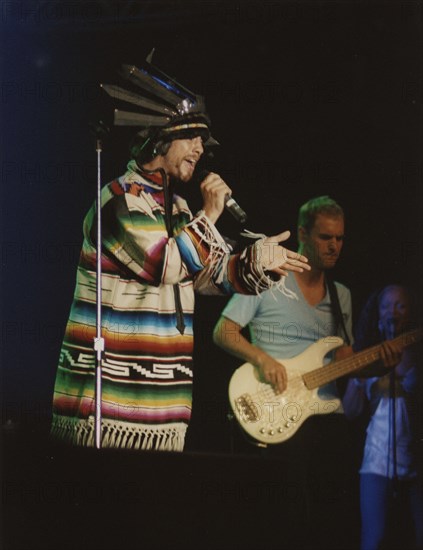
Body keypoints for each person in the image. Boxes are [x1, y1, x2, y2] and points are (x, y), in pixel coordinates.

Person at [50, 57, 310, 453]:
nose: (200, 149)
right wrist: (209, 214)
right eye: (192, 137)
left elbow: (208, 275)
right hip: (108, 407)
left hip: (162, 409)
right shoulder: (118, 202)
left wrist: (257, 261)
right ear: (160, 140)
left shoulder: (180, 212)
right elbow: (165, 264)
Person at [342, 284, 423, 550]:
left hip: (415, 464)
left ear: (409, 312)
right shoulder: (369, 355)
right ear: (378, 316)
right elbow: (351, 411)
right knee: (374, 539)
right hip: (376, 462)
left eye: (400, 305)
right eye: (386, 305)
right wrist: (359, 374)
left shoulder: (417, 358)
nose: (393, 312)